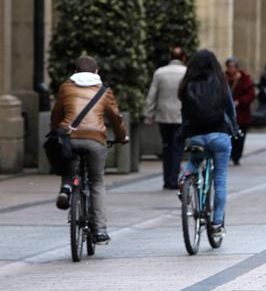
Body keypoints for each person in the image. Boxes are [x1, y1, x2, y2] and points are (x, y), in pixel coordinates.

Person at [51, 55, 128, 244]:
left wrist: (55, 132)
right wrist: (121, 137)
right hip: (95, 139)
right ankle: (100, 231)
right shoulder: (104, 91)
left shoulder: (65, 87)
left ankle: (67, 187)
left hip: (70, 136)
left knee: (69, 162)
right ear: (97, 72)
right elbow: (116, 118)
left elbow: (56, 114)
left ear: (75, 72)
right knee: (96, 182)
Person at [178, 50, 237, 237]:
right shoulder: (221, 83)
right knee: (219, 180)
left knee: (195, 161)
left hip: (197, 135)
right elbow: (230, 109)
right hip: (219, 135)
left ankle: (185, 177)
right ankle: (217, 224)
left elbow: (185, 113)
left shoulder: (186, 85)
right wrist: (234, 128)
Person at [144, 47, 187, 189]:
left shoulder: (160, 72)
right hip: (180, 115)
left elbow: (152, 95)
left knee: (167, 146)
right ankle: (174, 178)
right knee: (177, 148)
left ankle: (167, 179)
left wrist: (149, 115)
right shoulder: (186, 72)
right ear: (184, 58)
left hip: (163, 116)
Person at [224, 57, 255, 165]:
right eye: (229, 66)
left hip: (241, 114)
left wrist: (240, 102)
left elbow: (251, 94)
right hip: (227, 113)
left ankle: (237, 156)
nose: (231, 69)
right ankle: (230, 154)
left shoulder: (244, 78)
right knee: (229, 136)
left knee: (240, 137)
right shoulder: (223, 78)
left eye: (233, 66)